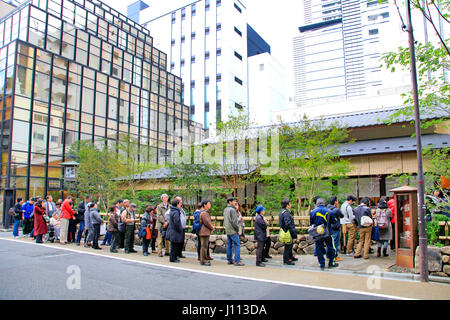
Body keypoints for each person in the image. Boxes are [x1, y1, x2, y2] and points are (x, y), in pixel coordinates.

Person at [311, 198, 338, 270]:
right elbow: (334, 222)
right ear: (324, 203)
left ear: (317, 204)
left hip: (318, 233)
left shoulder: (313, 212)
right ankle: (331, 263)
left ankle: (321, 264)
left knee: (319, 248)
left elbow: (312, 222)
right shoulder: (330, 211)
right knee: (331, 247)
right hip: (327, 232)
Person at [223, 197, 245, 266]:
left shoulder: (225, 209)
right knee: (237, 245)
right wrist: (237, 230)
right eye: (233, 201)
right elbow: (234, 222)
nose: (235, 202)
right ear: (230, 202)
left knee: (229, 245)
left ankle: (229, 259)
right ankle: (237, 261)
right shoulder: (232, 210)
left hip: (228, 230)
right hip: (233, 230)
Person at [279, 198, 297, 265]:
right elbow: (287, 223)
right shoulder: (286, 213)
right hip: (288, 231)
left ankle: (290, 257)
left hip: (285, 231)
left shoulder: (282, 211)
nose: (290, 204)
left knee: (290, 245)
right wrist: (292, 231)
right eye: (290, 203)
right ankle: (286, 260)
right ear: (287, 205)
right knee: (288, 246)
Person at [166, 197, 184, 263]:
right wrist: (180, 229)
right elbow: (177, 222)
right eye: (179, 203)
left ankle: (173, 257)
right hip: (175, 231)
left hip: (172, 230)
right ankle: (173, 258)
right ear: (177, 204)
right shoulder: (176, 212)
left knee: (173, 245)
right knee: (174, 246)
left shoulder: (172, 210)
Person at [327, 196, 344, 262]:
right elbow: (342, 215)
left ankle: (328, 256)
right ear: (335, 202)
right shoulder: (336, 210)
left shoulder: (327, 208)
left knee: (329, 243)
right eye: (337, 201)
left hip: (328, 228)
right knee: (335, 243)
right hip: (335, 228)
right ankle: (334, 256)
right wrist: (338, 207)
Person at [199, 199, 214, 266]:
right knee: (204, 246)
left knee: (205, 246)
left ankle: (204, 259)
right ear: (205, 205)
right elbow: (207, 222)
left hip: (205, 231)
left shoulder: (205, 212)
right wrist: (212, 227)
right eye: (208, 203)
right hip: (204, 231)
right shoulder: (204, 213)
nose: (210, 205)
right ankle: (203, 260)